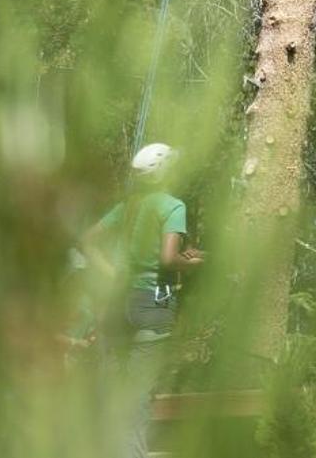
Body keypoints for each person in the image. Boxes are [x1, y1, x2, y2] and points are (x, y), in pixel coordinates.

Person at [82, 143, 203, 458]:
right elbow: (167, 259)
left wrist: (111, 274)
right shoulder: (173, 206)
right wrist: (190, 263)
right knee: (138, 393)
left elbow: (87, 240)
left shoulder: (128, 206)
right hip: (155, 303)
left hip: (118, 303)